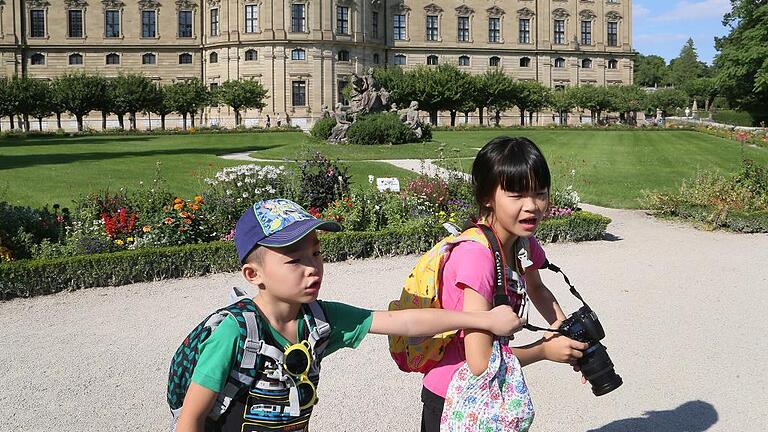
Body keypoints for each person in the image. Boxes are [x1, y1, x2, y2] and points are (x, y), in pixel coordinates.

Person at [175, 198, 526, 432]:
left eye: (316, 254)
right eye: (294, 260)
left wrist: (482, 320)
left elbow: (404, 322)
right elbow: (189, 419)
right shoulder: (234, 333)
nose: (312, 268)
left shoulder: (319, 320)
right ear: (254, 275)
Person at [419, 136, 589, 432]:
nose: (532, 206)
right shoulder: (477, 257)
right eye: (517, 195)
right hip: (453, 399)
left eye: (540, 193)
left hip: (488, 392)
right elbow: (480, 362)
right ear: (487, 196)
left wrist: (566, 334)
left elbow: (536, 287)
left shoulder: (522, 242)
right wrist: (544, 350)